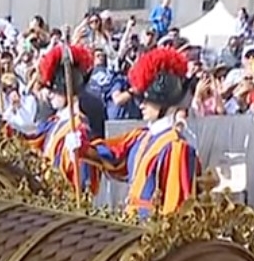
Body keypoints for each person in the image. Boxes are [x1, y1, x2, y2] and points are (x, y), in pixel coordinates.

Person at [86, 47, 202, 221]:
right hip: (132, 223)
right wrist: (83, 146)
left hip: (152, 230)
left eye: (147, 101)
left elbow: (176, 207)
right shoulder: (141, 137)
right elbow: (114, 156)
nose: (141, 105)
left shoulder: (176, 148)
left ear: (164, 102)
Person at [13, 44, 100, 195]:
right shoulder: (54, 122)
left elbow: (85, 177)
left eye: (55, 90)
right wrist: (8, 130)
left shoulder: (79, 128)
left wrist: (79, 155)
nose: (50, 94)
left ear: (68, 92)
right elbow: (31, 141)